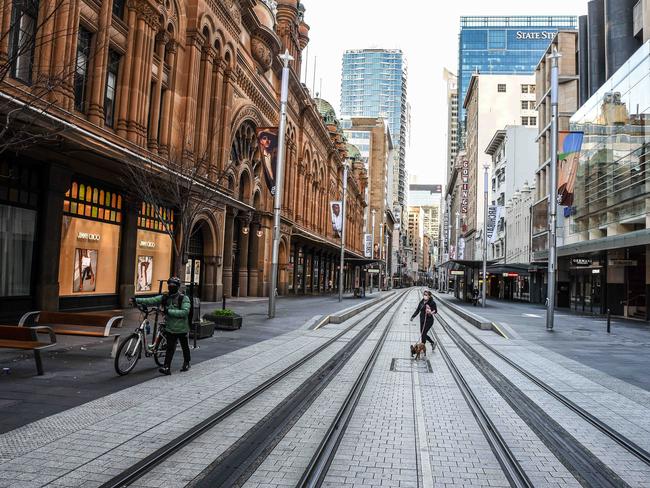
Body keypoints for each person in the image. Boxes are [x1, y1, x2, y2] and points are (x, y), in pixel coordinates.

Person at [131, 277, 191, 375]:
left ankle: (187, 362)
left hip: (181, 328)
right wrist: (137, 300)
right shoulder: (165, 297)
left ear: (178, 287)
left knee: (184, 346)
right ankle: (166, 367)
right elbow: (152, 300)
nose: (171, 287)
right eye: (170, 285)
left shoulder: (183, 298)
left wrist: (168, 311)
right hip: (170, 327)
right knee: (170, 348)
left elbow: (185, 312)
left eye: (174, 286)